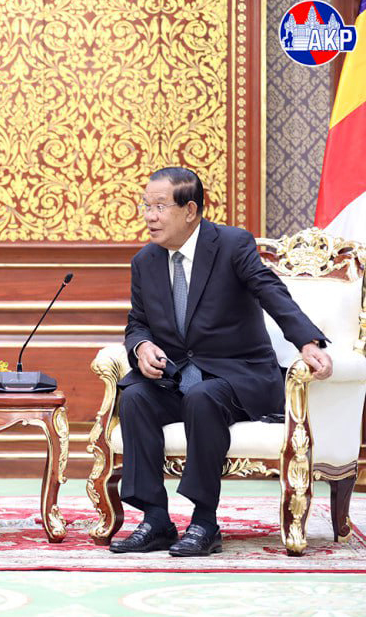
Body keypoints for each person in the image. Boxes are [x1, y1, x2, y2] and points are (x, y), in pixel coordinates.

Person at [110, 167, 333, 557]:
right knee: (135, 397)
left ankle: (204, 522)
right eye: (146, 206)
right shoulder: (145, 261)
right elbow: (137, 322)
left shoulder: (231, 244)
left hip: (237, 375)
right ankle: (155, 519)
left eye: (160, 206)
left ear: (190, 210)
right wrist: (142, 346)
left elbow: (269, 289)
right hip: (178, 376)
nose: (150, 216)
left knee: (204, 397)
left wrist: (306, 340)